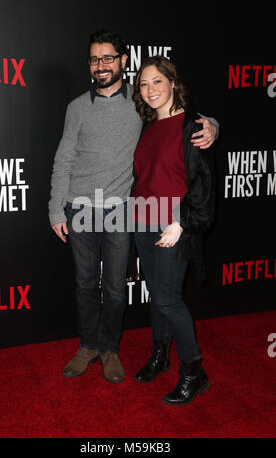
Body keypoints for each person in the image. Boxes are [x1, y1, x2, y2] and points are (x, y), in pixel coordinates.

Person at [48, 30, 218, 384]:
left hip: (121, 209)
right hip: (79, 207)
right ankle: (88, 345)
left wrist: (213, 125)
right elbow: (63, 159)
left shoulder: (140, 105)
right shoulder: (78, 107)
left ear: (123, 61)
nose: (101, 65)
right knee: (83, 284)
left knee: (114, 286)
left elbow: (183, 121)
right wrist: (54, 209)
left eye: (108, 58)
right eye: (95, 59)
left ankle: (109, 348)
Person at [132, 55, 215, 404]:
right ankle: (160, 353)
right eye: (144, 84)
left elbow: (203, 186)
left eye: (157, 81)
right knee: (157, 294)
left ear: (172, 83)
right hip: (142, 220)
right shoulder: (148, 126)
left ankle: (194, 372)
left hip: (173, 225)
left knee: (168, 298)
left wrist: (180, 223)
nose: (150, 90)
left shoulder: (193, 125)